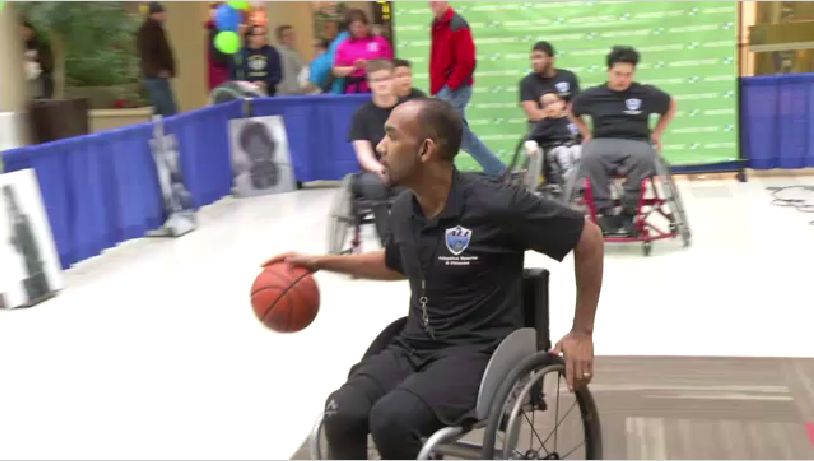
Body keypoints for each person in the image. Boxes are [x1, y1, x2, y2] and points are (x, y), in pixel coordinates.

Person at [264, 97, 604, 459]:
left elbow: (589, 238)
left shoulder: (497, 204)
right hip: (415, 344)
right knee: (341, 413)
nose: (380, 147)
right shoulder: (404, 209)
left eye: (392, 136)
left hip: (479, 353)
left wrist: (581, 333)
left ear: (426, 150)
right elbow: (398, 263)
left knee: (392, 420)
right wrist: (320, 262)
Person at [570, 46, 676, 236]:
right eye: (618, 74)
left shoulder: (645, 93)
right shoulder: (593, 95)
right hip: (603, 140)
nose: (622, 79)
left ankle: (630, 212)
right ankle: (604, 212)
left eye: (628, 75)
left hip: (636, 141)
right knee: (589, 157)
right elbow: (572, 110)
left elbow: (671, 105)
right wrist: (586, 133)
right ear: (609, 71)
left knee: (644, 158)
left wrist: (657, 134)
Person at [428, 1, 506, 178]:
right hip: (444, 89)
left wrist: (449, 86)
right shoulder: (437, 24)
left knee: (457, 134)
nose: (433, 3)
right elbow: (438, 58)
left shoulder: (457, 24)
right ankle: (496, 171)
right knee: (454, 134)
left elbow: (467, 61)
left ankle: (498, 171)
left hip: (454, 90)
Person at [346, 59, 400, 245]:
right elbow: (364, 154)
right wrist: (380, 169)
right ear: (369, 83)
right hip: (374, 170)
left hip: (405, 167)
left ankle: (409, 236)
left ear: (394, 79)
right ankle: (386, 241)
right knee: (373, 185)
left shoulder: (408, 110)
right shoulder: (362, 115)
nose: (382, 84)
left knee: (410, 187)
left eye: (386, 78)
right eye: (377, 80)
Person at [524, 93, 582, 191]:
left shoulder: (570, 121)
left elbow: (581, 136)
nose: (549, 107)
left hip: (572, 145)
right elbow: (531, 138)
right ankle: (568, 174)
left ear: (562, 103)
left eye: (552, 103)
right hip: (553, 149)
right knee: (563, 152)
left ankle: (580, 175)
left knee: (577, 150)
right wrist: (531, 146)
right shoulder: (544, 123)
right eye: (544, 105)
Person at [518, 41, 581, 127]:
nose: (534, 62)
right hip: (540, 129)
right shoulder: (527, 82)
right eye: (532, 58)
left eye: (538, 57)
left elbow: (575, 109)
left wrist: (548, 112)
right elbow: (534, 115)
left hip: (566, 127)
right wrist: (558, 111)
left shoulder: (568, 77)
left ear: (551, 59)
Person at [333, 9, 394, 94]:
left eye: (361, 26)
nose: (359, 29)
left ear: (367, 25)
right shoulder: (344, 46)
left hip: (378, 86)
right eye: (355, 27)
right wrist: (354, 68)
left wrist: (369, 65)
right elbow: (337, 71)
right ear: (349, 28)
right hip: (353, 89)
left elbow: (389, 64)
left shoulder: (379, 41)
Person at [136, 2, 178, 116]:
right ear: (155, 14)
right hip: (156, 76)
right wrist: (158, 71)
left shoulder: (156, 29)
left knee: (160, 109)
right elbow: (148, 54)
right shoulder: (149, 31)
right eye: (162, 13)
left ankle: (156, 127)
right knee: (168, 109)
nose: (165, 15)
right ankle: (168, 127)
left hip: (157, 75)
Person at [231, 24, 282, 96]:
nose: (265, 37)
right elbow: (234, 76)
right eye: (261, 34)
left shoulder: (271, 52)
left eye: (265, 34)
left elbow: (277, 75)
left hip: (268, 94)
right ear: (250, 37)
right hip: (246, 95)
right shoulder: (240, 54)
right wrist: (249, 85)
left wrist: (265, 82)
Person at [20, 19, 54, 99]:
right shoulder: (19, 46)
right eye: (21, 31)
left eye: (25, 30)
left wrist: (34, 59)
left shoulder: (42, 45)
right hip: (25, 84)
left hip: (41, 83)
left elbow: (48, 65)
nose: (23, 33)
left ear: (31, 30)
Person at [205, 3, 230, 91]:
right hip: (221, 76)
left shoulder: (214, 30)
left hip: (217, 76)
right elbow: (218, 57)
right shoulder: (217, 32)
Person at [275, 25, 306, 95]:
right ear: (280, 38)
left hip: (295, 91)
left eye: (292, 34)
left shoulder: (294, 51)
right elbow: (288, 76)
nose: (290, 37)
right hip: (289, 92)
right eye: (286, 35)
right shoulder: (281, 53)